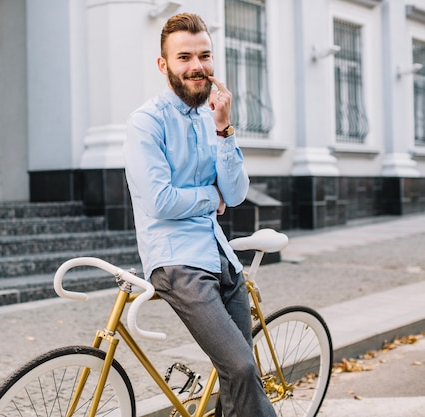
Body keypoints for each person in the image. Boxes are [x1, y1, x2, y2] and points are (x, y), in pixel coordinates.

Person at [123, 13, 277, 417]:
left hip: (220, 256)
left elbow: (238, 193)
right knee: (242, 366)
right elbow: (160, 201)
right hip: (177, 262)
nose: (197, 67)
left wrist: (224, 129)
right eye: (185, 57)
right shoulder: (147, 123)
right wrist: (211, 197)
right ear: (164, 65)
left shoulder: (214, 118)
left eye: (204, 56)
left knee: (238, 377)